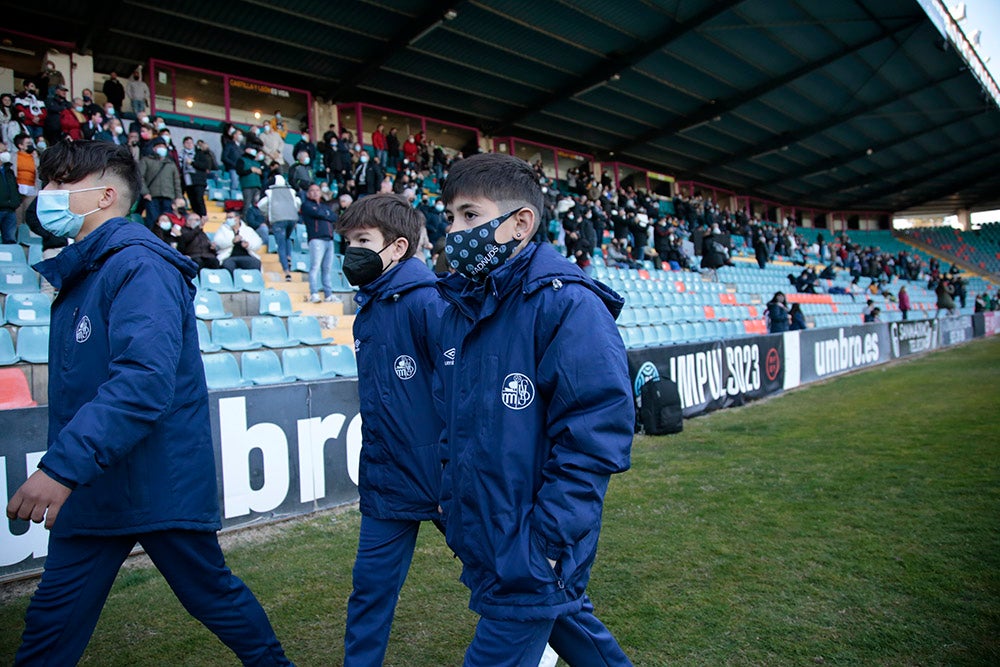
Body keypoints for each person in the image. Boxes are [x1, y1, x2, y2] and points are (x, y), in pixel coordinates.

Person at [5, 140, 292, 665]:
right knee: (50, 622)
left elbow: (142, 381)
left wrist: (62, 468)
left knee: (211, 596)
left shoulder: (140, 266)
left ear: (104, 195)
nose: (43, 195)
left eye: (58, 184)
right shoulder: (85, 271)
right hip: (97, 485)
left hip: (156, 481)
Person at [436, 153, 633, 667]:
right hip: (493, 535)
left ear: (521, 222)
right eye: (451, 217)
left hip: (532, 544)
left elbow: (595, 437)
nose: (454, 230)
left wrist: (545, 541)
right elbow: (458, 420)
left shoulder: (567, 304)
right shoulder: (466, 306)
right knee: (572, 627)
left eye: (469, 216)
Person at [333, 193, 446, 666]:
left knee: (506, 579)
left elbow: (457, 391)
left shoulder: (430, 303)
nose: (350, 252)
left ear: (398, 248)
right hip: (386, 478)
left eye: (363, 240)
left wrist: (455, 467)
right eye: (347, 241)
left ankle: (570, 636)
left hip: (443, 478)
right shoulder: (369, 310)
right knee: (370, 589)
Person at [258, 175, 301, 281]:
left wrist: (267, 211)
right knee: (287, 238)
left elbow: (261, 204)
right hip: (291, 218)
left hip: (278, 220)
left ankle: (286, 271)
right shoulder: (291, 191)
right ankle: (289, 257)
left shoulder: (270, 192)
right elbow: (298, 202)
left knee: (281, 245)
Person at [301, 183, 338, 302]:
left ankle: (328, 294)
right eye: (312, 190)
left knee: (327, 269)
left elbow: (334, 217)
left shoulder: (324, 205)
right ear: (308, 193)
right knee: (315, 267)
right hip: (316, 239)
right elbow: (319, 214)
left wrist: (325, 214)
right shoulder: (306, 205)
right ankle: (314, 293)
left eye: (317, 190)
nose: (315, 192)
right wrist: (326, 214)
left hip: (329, 239)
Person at [140, 137, 183, 229]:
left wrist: (178, 197)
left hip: (168, 197)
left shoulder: (171, 164)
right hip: (152, 196)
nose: (162, 148)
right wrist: (145, 193)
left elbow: (176, 182)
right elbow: (139, 177)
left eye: (163, 146)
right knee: (152, 220)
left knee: (167, 221)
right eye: (159, 146)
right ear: (154, 148)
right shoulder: (146, 160)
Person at [214, 209, 263, 273]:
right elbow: (218, 242)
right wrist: (232, 241)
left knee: (255, 263)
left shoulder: (248, 230)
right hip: (229, 257)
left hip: (246, 256)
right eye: (227, 218)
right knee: (228, 265)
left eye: (230, 217)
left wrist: (248, 245)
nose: (228, 220)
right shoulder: (223, 229)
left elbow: (258, 243)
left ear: (238, 218)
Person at [0, 145, 21, 244]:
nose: (6, 153)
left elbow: (15, 188)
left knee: (10, 240)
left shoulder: (9, 170)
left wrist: (16, 201)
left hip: (10, 210)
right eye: (3, 151)